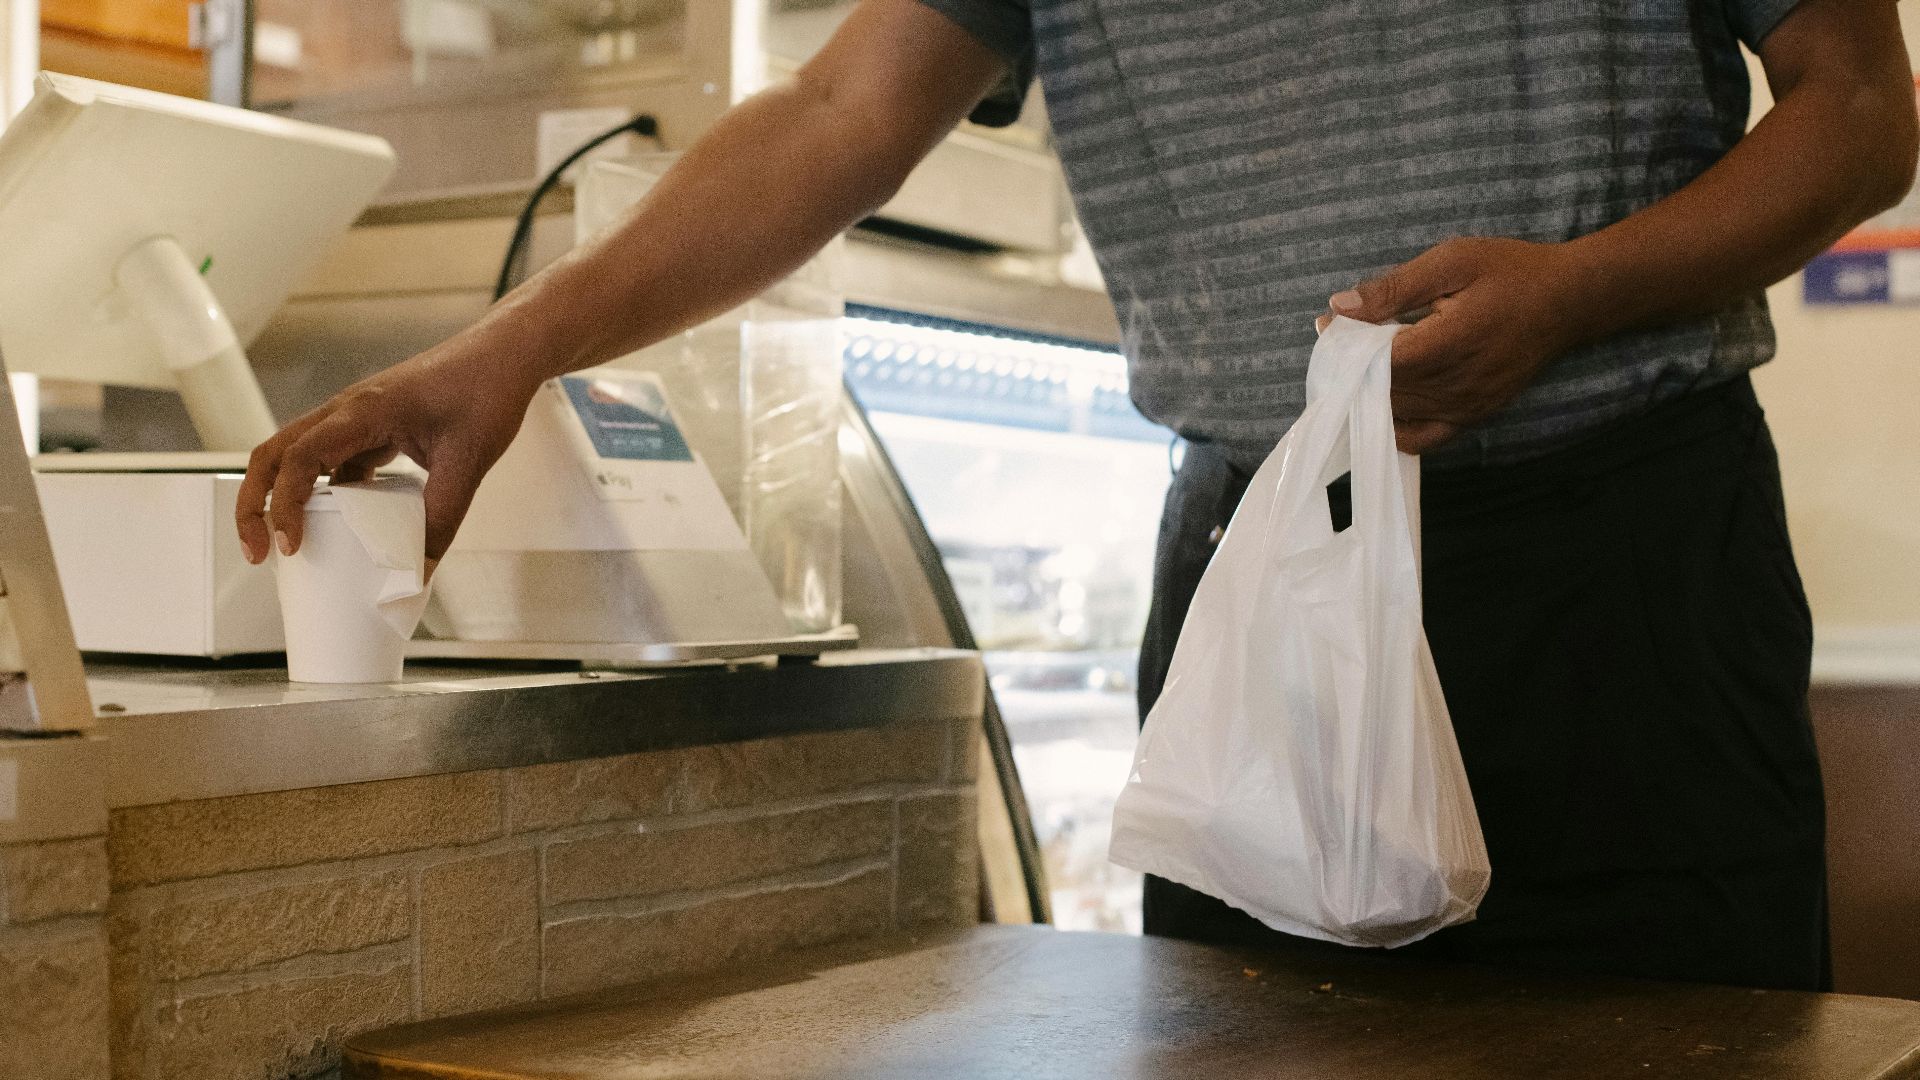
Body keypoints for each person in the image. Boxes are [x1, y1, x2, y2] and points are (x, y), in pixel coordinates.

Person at [237, 0, 1916, 990]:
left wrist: (1579, 291)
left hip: (1616, 571)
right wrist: (509, 351)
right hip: (1261, 588)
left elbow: (1857, 106)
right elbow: (842, 106)